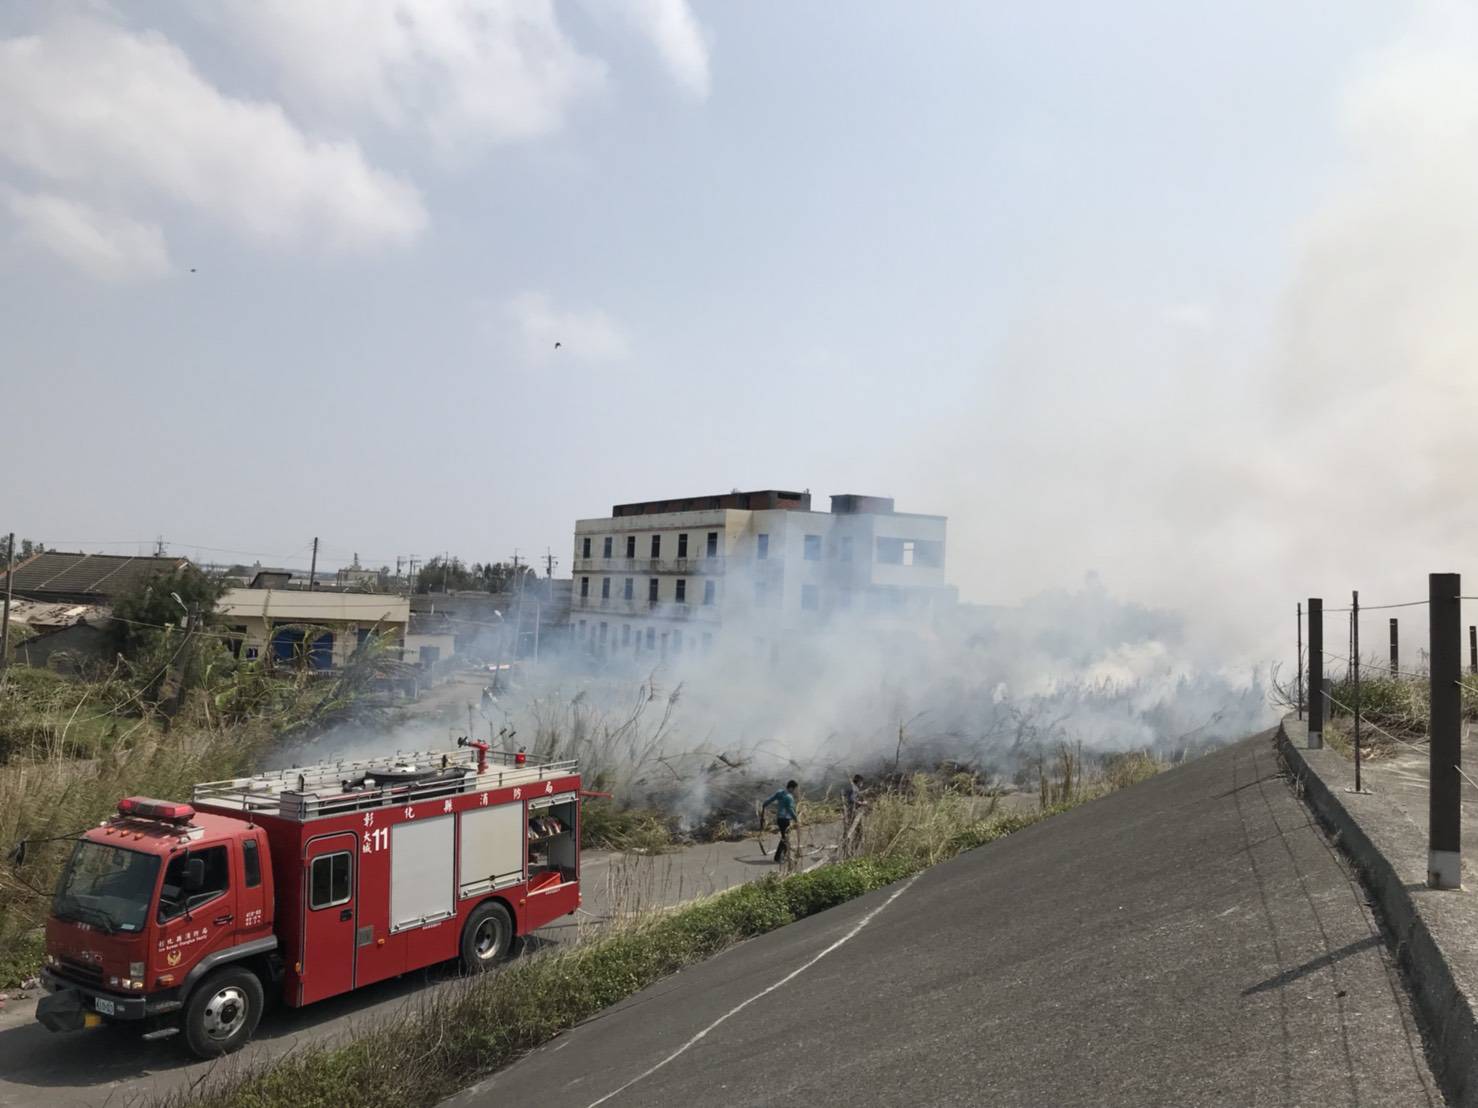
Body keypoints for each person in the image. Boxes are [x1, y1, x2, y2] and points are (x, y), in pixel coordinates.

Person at [761, 780, 799, 864]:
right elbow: (790, 809)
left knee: (785, 838)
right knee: (785, 839)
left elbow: (771, 799)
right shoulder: (789, 797)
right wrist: (796, 818)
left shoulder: (780, 792)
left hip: (779, 819)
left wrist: (764, 804)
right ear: (791, 788)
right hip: (785, 820)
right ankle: (778, 857)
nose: (795, 790)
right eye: (795, 788)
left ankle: (782, 856)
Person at [842, 774, 866, 856]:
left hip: (849, 811)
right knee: (858, 832)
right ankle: (852, 850)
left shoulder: (852, 787)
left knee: (852, 831)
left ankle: (851, 850)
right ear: (859, 782)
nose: (862, 784)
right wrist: (862, 803)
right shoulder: (854, 788)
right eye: (862, 782)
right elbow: (852, 799)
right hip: (853, 812)